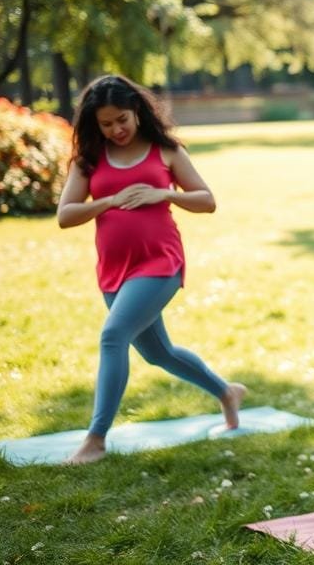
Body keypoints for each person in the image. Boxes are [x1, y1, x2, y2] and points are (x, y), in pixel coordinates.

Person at [56, 75, 244, 465]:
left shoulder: (166, 151)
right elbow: (65, 215)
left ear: (138, 111)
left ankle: (96, 439)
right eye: (106, 124)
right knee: (159, 353)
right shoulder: (90, 158)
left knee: (113, 336)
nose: (116, 130)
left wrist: (164, 193)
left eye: (122, 119)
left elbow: (207, 201)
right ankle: (226, 392)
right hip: (114, 270)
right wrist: (108, 201)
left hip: (160, 263)